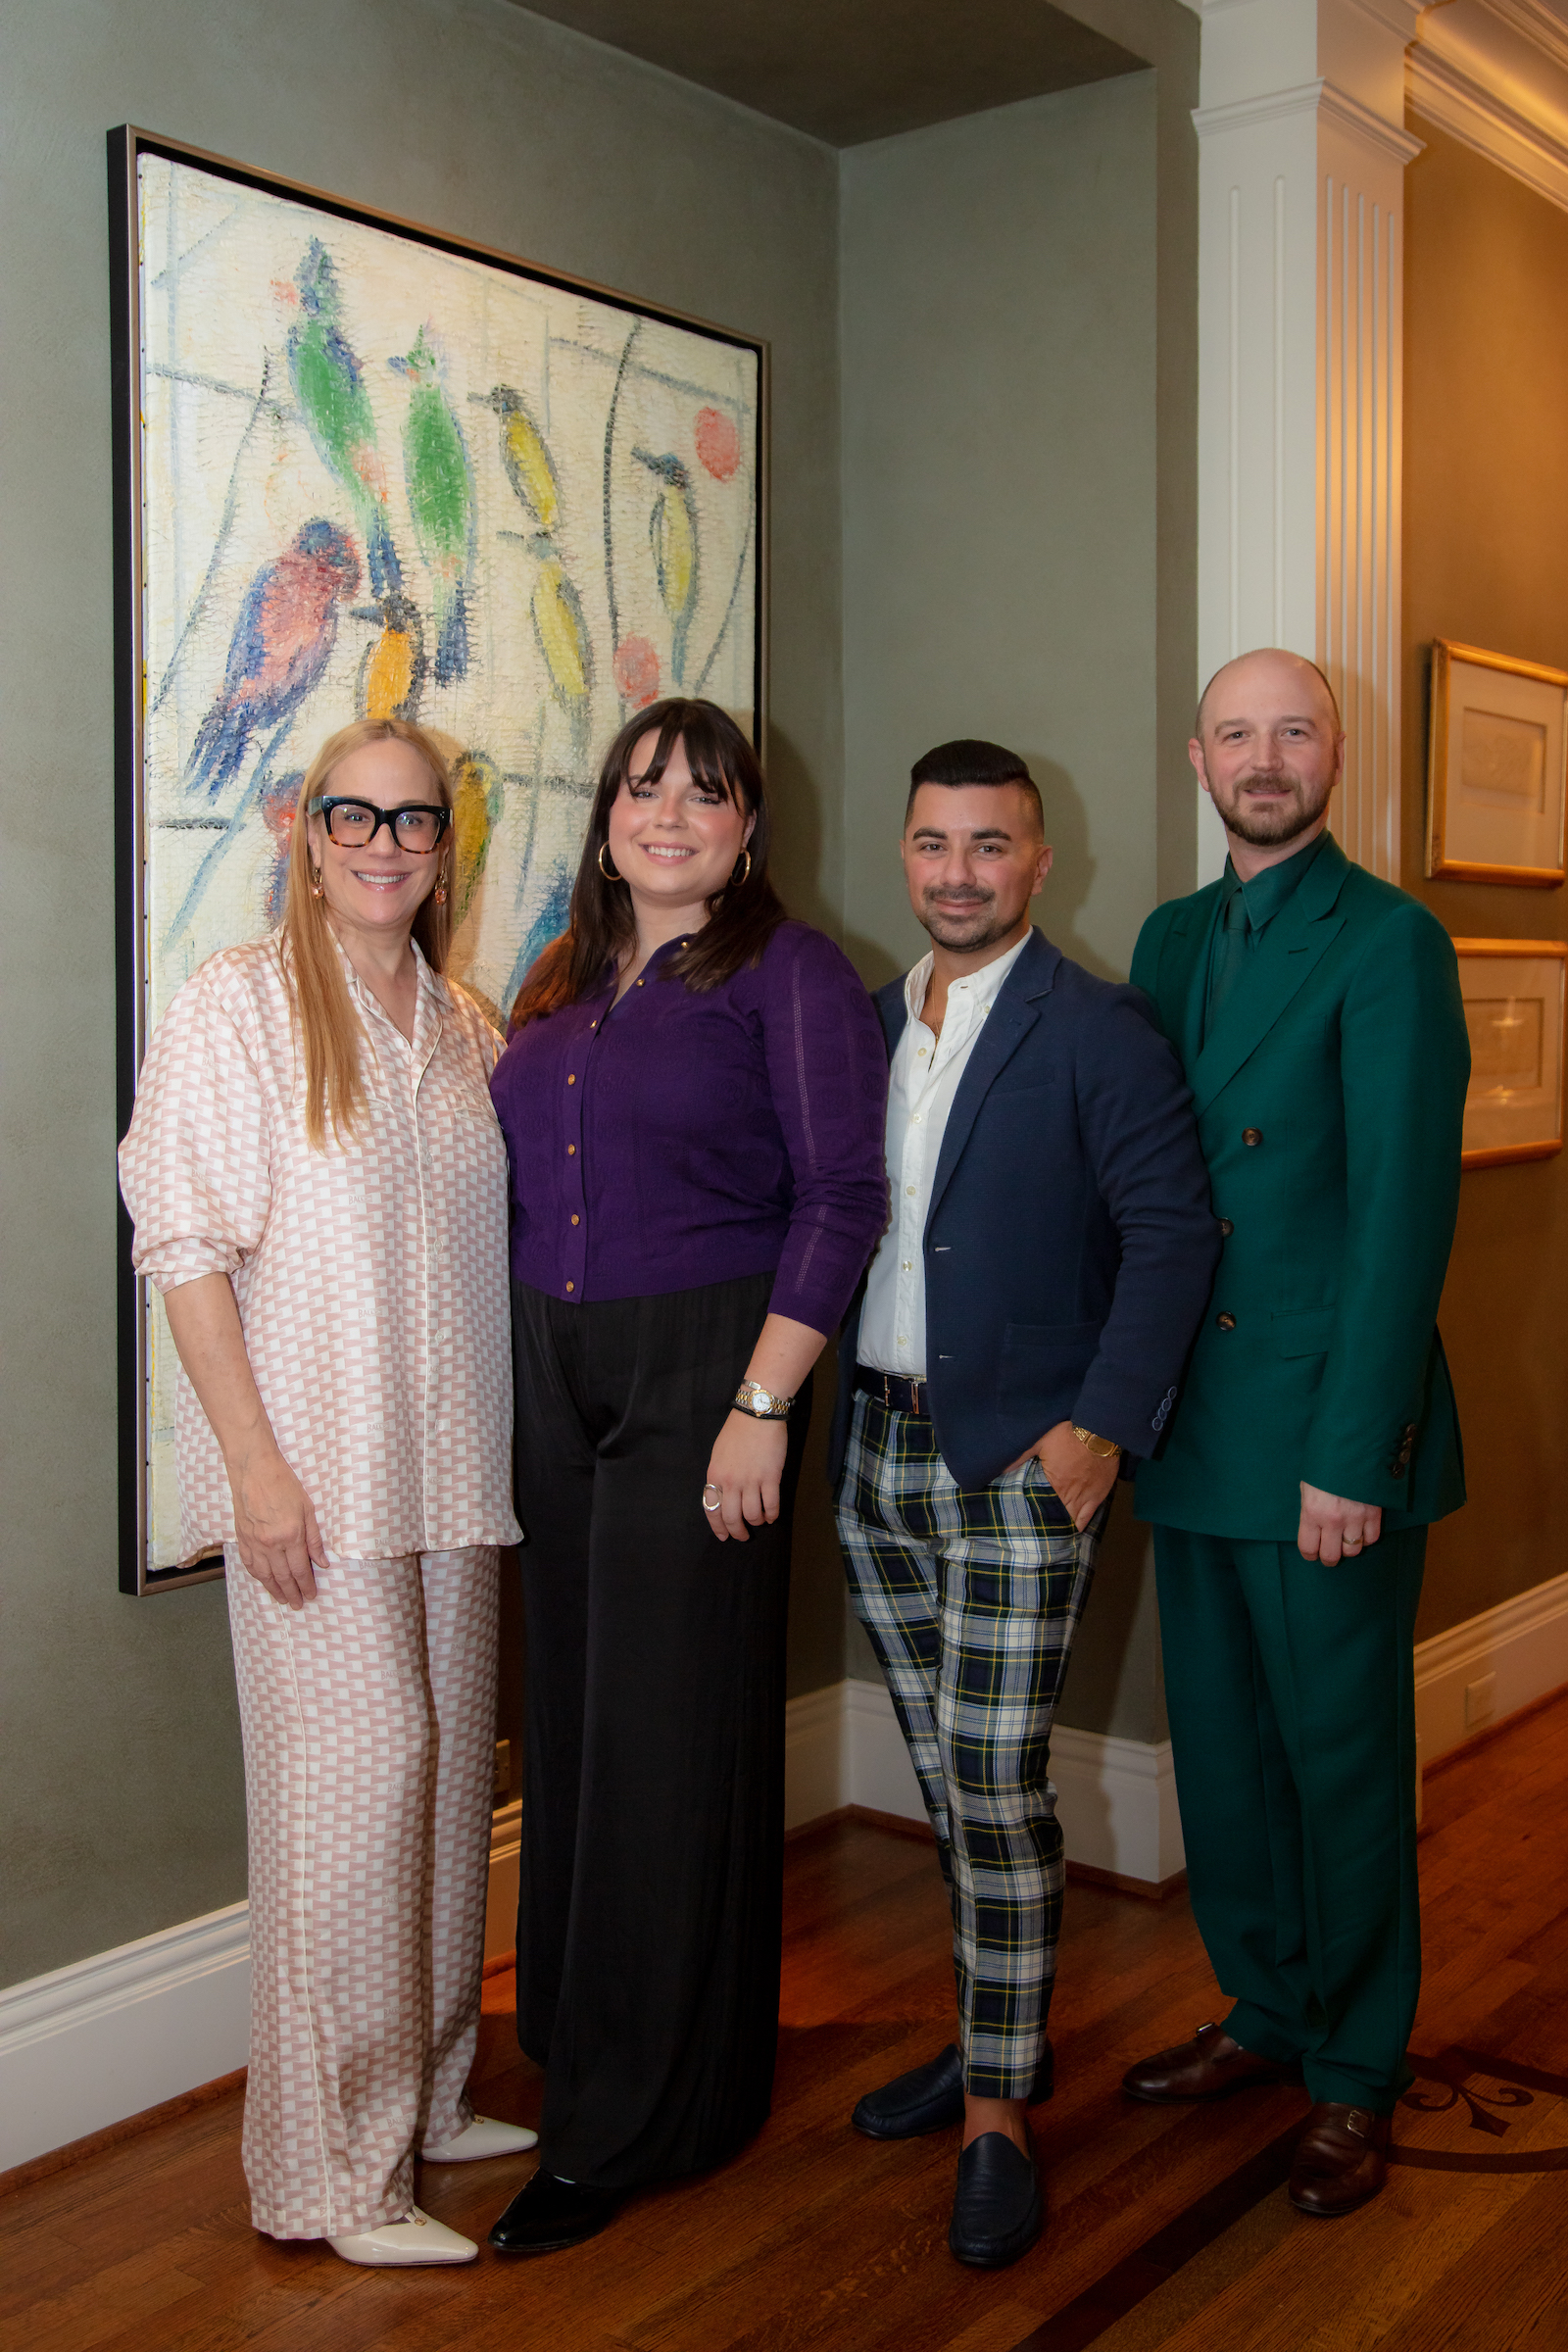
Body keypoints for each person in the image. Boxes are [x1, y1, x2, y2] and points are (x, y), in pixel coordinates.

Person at [119, 718, 534, 2270]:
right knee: (348, 1818)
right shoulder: (239, 1007)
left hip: (453, 1484)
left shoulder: (466, 1028)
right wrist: (253, 1468)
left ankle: (424, 2102)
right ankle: (327, 2177)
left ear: (444, 847)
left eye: (414, 822)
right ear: (305, 830)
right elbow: (183, 1247)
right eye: (353, 816)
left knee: (437, 1799)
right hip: (316, 1490)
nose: (383, 843)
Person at [485, 697, 887, 2258]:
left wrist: (761, 1405)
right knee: (579, 1722)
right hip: (553, 1374)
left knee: (666, 1742)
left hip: (708, 1370)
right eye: (643, 789)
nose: (668, 816)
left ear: (745, 828)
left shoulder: (786, 974)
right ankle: (597, 2053)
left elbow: (843, 1194)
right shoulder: (560, 983)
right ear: (606, 816)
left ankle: (626, 2130)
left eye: (703, 796)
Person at [830, 739, 1220, 2270]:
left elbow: (1174, 1237)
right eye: (933, 844)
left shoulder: (1099, 1030)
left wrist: (1101, 1434)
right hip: (877, 1459)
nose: (958, 874)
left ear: (1039, 861)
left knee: (995, 1786)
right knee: (943, 1775)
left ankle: (998, 2112)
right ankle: (999, 2034)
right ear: (906, 850)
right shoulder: (870, 1026)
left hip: (1020, 1468)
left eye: (990, 847)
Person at [1122, 649, 1470, 2217]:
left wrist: (1359, 1447)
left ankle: (1354, 2069)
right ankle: (1267, 2011)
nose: (1267, 759)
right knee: (1226, 1758)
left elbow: (1402, 1214)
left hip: (1322, 1434)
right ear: (1199, 758)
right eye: (1239, 734)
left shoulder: (1390, 941)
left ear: (1338, 754)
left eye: (1296, 733)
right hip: (1190, 1423)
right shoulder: (1170, 934)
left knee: (1338, 1764)